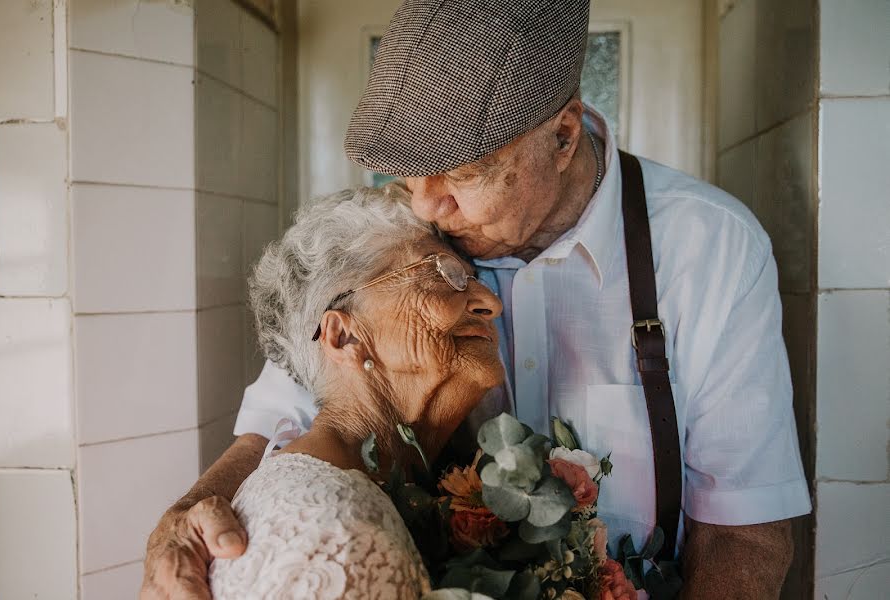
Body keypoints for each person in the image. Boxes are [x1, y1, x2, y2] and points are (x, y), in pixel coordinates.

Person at [143, 1, 811, 598]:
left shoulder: (710, 246)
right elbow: (287, 410)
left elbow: (745, 533)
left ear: (562, 136)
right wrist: (187, 516)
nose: (427, 207)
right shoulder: (405, 238)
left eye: (462, 174)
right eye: (406, 179)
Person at [204, 185, 504, 598]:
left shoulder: (392, 492)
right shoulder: (340, 540)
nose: (490, 303)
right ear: (344, 337)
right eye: (444, 273)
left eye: (472, 278)